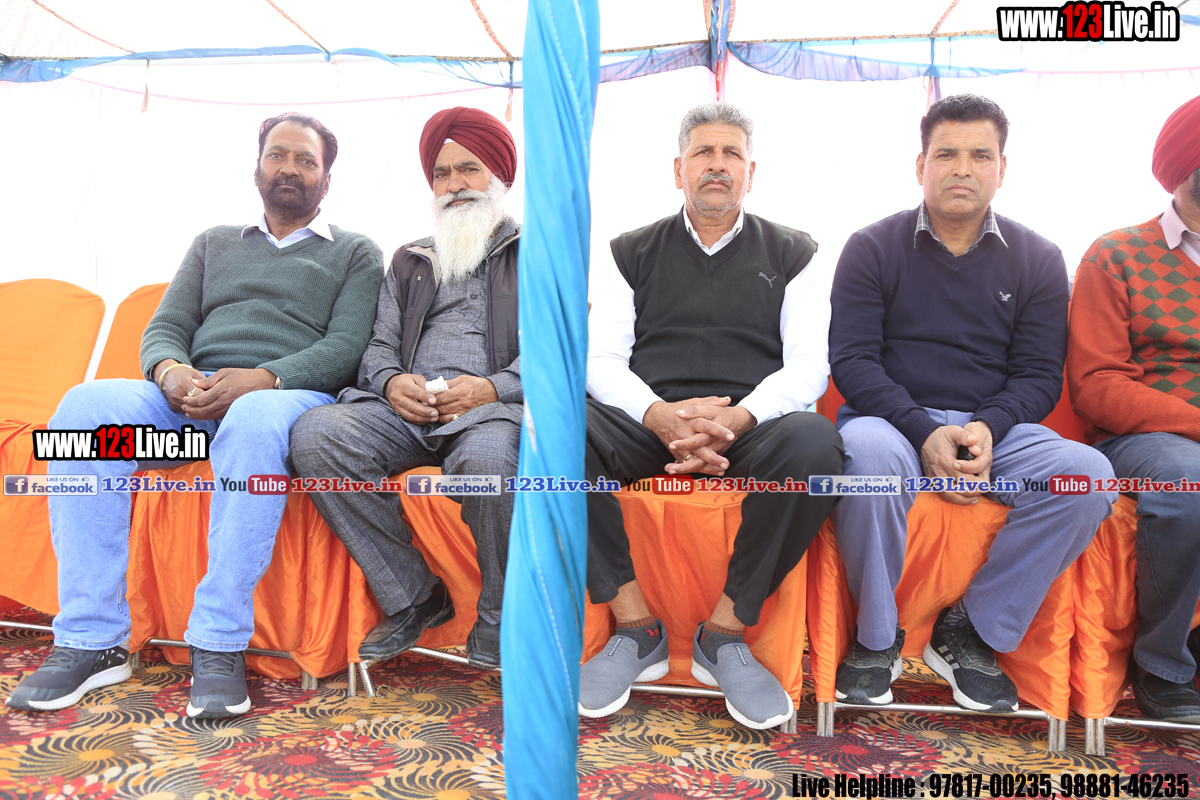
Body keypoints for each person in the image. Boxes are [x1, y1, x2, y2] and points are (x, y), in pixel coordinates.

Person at [5, 113, 383, 718]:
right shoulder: (213, 242)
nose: (289, 167)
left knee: (253, 419)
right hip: (187, 420)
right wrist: (170, 373)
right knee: (83, 410)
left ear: (327, 179)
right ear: (257, 168)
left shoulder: (356, 252)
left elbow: (347, 347)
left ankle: (218, 641)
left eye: (306, 159)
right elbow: (167, 327)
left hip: (282, 405)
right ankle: (93, 640)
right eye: (277, 155)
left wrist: (264, 377)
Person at [828, 93, 1115, 713]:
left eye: (980, 156)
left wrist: (987, 428)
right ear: (920, 165)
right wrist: (922, 430)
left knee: (1089, 476)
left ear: (1002, 169)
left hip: (998, 432)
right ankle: (876, 639)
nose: (963, 169)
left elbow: (1039, 375)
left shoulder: (1039, 258)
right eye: (946, 155)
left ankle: (971, 631)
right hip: (892, 423)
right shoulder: (870, 247)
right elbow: (853, 361)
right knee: (867, 458)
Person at [580, 102, 844, 730]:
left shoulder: (797, 252)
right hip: (648, 420)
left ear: (752, 172)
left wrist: (738, 420)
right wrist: (659, 415)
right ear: (678, 169)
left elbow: (809, 366)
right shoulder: (627, 251)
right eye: (703, 152)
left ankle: (724, 633)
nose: (717, 165)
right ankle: (635, 627)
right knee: (554, 434)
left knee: (817, 447)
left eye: (732, 155)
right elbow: (601, 359)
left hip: (750, 424)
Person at [290, 107, 521, 672]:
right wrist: (392, 382)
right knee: (317, 435)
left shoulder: (541, 254)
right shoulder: (411, 259)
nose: (455, 184)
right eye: (442, 174)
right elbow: (378, 344)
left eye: (468, 169)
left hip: (490, 411)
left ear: (499, 175)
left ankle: (499, 613)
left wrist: (492, 389)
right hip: (408, 410)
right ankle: (415, 594)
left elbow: (563, 351)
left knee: (490, 461)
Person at [1067, 95, 1200, 722]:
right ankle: (1162, 666)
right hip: (1142, 437)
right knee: (1188, 481)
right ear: (1187, 167)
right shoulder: (1117, 253)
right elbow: (1096, 385)